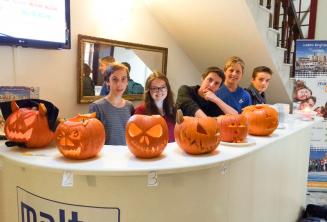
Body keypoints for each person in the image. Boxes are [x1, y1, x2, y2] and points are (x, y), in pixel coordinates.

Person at [89, 63, 134, 145]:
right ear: (107, 82)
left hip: (126, 155)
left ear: (127, 81)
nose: (119, 84)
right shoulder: (96, 107)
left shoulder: (129, 106)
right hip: (105, 156)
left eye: (123, 79)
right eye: (114, 79)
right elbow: (91, 137)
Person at [134, 72, 176, 142]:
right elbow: (137, 138)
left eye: (163, 87)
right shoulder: (141, 111)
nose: (159, 91)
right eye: (154, 88)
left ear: (167, 88)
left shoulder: (174, 109)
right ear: (148, 91)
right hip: (151, 151)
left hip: (171, 151)